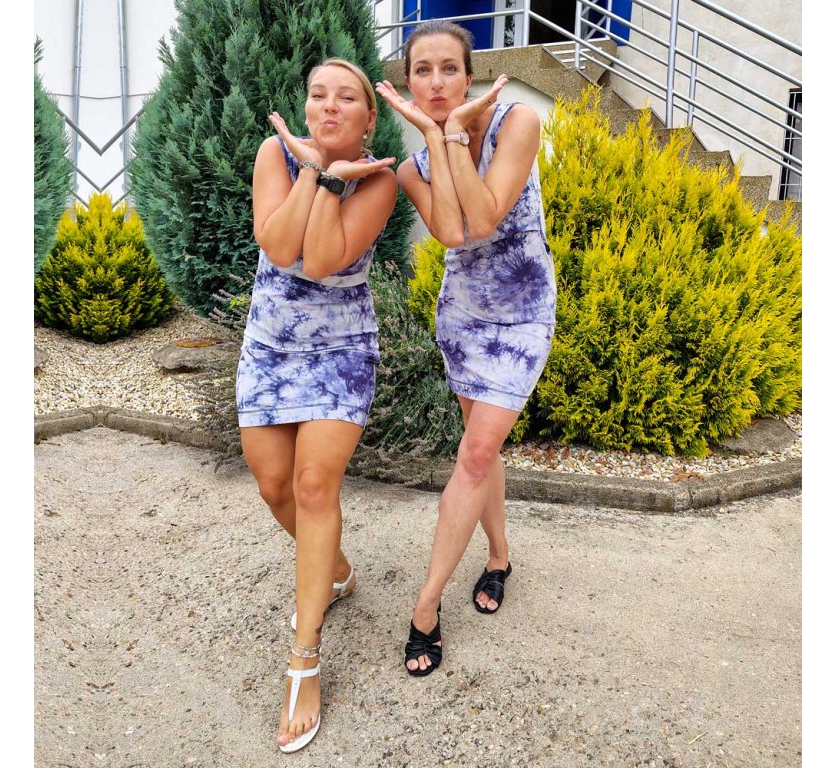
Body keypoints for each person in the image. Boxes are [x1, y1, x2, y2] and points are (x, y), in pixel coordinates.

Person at [376, 21, 556, 676]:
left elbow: (484, 216)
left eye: (449, 68)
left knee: (475, 453)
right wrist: (436, 137)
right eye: (422, 70)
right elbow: (454, 235)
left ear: (470, 74)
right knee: (483, 449)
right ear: (407, 83)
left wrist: (452, 134)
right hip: (463, 316)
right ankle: (499, 557)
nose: (436, 82)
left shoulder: (517, 123)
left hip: (523, 315)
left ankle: (425, 606)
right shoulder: (411, 167)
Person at [237, 58, 397, 751]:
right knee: (274, 487)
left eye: (347, 98)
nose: (330, 106)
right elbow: (277, 245)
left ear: (368, 117)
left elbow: (325, 258)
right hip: (270, 347)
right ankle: (334, 570)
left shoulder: (381, 178)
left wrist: (334, 179)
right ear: (305, 107)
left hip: (340, 352)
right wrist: (311, 171)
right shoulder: (274, 154)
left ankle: (304, 662)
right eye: (318, 95)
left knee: (311, 486)